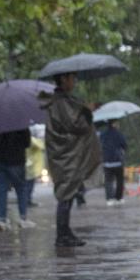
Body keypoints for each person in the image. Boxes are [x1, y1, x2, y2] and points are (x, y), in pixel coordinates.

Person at [43, 73, 100, 248]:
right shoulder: (61, 102)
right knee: (65, 194)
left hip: (66, 154)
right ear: (63, 80)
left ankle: (65, 232)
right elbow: (76, 125)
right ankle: (62, 235)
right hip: (66, 156)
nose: (74, 82)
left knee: (67, 194)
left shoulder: (61, 101)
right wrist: (87, 111)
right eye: (71, 79)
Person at [0, 127, 33, 229]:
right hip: (16, 160)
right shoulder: (20, 124)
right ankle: (23, 218)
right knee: (21, 189)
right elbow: (27, 143)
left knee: (1, 191)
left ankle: (1, 220)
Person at [99, 121, 128, 204]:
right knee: (120, 180)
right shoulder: (119, 134)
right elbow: (125, 145)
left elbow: (100, 145)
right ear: (113, 124)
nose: (118, 125)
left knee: (108, 181)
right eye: (117, 123)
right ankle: (119, 198)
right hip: (118, 161)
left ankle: (109, 199)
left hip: (107, 161)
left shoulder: (103, 134)